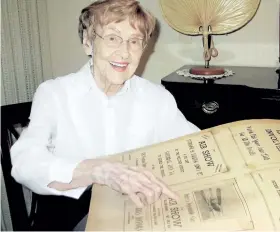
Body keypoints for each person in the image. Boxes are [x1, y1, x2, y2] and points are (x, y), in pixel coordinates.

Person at [10, 0, 199, 230]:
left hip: (136, 214)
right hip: (69, 216)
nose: (124, 52)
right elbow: (24, 162)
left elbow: (195, 148)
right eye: (112, 38)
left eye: (134, 41)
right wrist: (95, 171)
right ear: (88, 43)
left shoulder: (157, 98)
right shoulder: (55, 94)